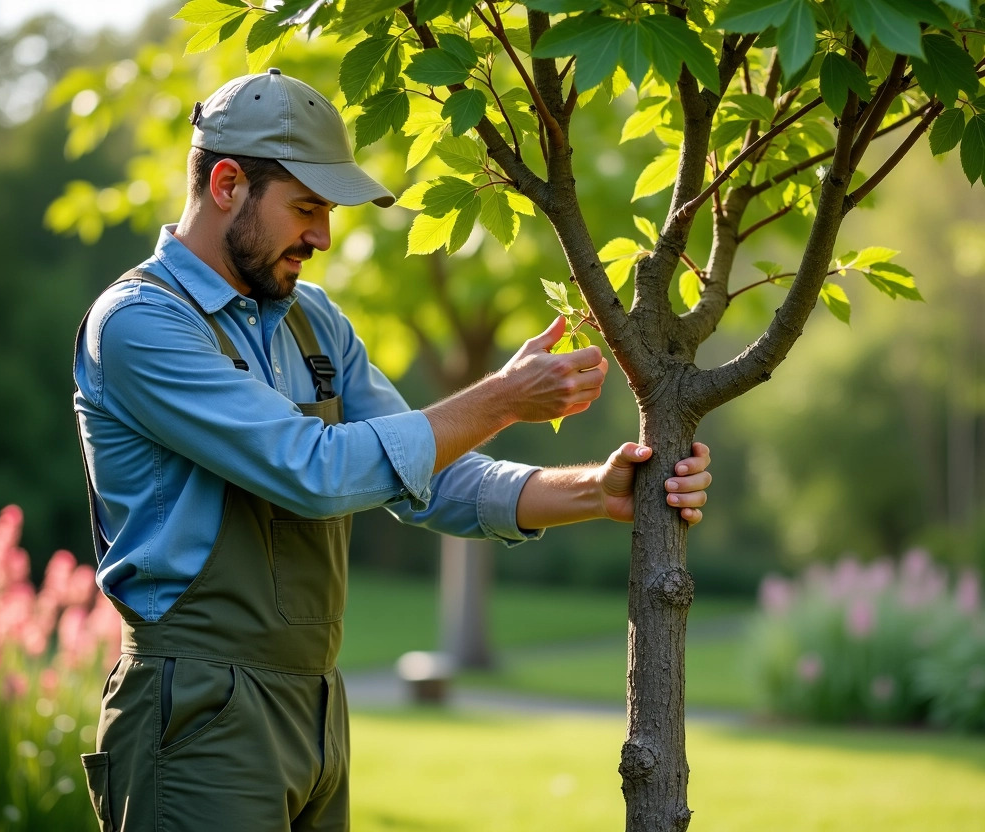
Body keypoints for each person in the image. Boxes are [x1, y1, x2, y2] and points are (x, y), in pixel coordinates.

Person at [73, 68, 711, 832]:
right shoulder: (141, 325)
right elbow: (310, 470)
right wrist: (502, 398)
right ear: (227, 183)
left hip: (316, 705)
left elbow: (425, 476)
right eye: (306, 208)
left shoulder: (314, 322)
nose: (322, 236)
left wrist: (594, 491)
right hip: (197, 708)